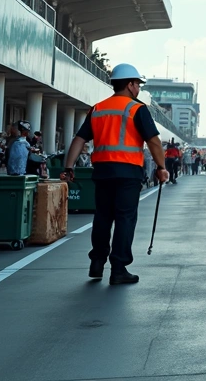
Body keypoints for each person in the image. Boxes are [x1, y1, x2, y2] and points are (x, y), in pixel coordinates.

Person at [62, 63, 168, 285]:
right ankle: (118, 269)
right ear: (130, 85)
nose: (138, 88)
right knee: (124, 218)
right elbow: (154, 141)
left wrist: (68, 167)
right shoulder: (137, 109)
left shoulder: (98, 109)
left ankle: (97, 263)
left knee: (102, 217)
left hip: (102, 172)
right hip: (128, 172)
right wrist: (161, 167)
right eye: (137, 84)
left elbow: (79, 139)